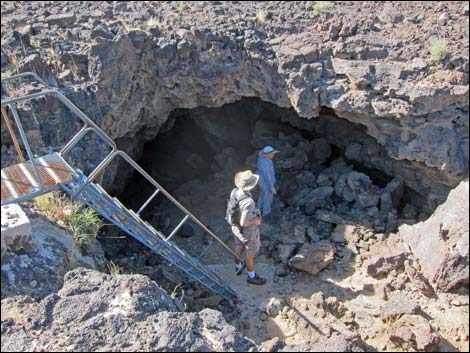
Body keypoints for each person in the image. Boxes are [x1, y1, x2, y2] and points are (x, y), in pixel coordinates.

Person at [230, 170, 267, 285]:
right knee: (250, 253)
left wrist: (252, 212)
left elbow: (238, 210)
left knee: (238, 245)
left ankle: (238, 267)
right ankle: (251, 276)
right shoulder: (249, 202)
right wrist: (255, 220)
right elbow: (244, 223)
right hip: (247, 230)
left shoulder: (235, 192)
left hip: (235, 226)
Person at [256, 145, 279, 217]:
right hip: (265, 183)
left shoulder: (262, 159)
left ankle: (257, 211)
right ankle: (266, 213)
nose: (274, 155)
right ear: (268, 155)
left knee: (262, 196)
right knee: (267, 198)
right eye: (272, 154)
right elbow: (267, 176)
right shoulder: (265, 163)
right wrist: (272, 187)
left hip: (261, 182)